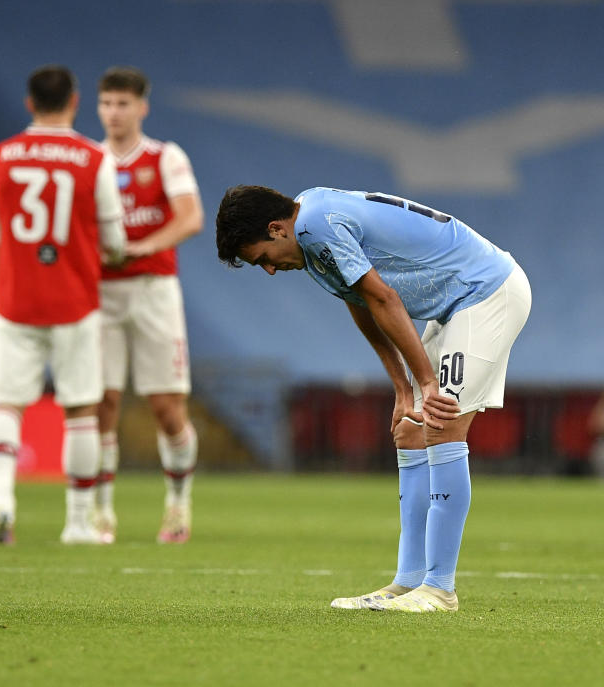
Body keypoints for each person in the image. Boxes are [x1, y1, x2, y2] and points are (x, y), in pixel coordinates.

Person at [216, 186, 531, 612]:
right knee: (411, 430)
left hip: (485, 292)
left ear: (276, 229)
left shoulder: (314, 227)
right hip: (454, 307)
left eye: (262, 259)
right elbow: (362, 300)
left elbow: (385, 297)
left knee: (440, 423)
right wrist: (403, 388)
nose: (269, 270)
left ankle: (439, 589)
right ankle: (409, 581)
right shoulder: (308, 227)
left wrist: (426, 382)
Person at [0, 65, 126, 545]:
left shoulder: (0, 156)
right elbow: (116, 240)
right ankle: (78, 523)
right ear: (75, 101)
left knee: (7, 405)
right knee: (81, 411)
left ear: (29, 103)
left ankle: (2, 504)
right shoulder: (92, 157)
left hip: (15, 299)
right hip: (75, 300)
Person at [94, 67, 203, 544]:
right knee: (102, 402)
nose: (114, 113)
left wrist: (142, 246)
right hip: (99, 294)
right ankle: (99, 513)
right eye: (106, 103)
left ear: (142, 107)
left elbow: (190, 217)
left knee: (166, 408)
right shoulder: (89, 158)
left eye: (122, 103)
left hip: (154, 289)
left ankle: (178, 504)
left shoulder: (164, 157)